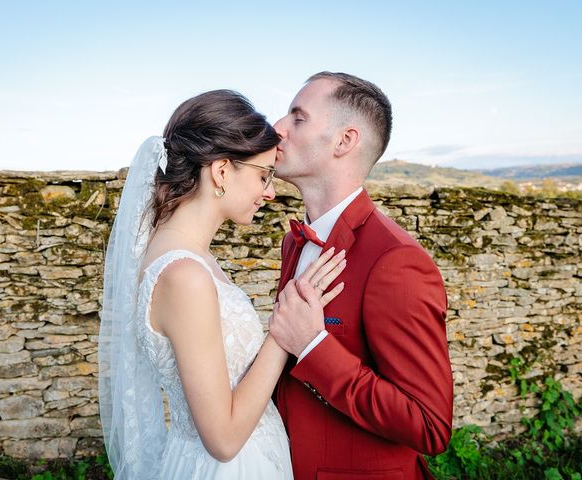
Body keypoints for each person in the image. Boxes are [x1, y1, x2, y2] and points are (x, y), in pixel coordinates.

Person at [98, 90, 346, 480]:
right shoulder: (185, 275)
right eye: (263, 175)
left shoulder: (185, 255)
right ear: (221, 170)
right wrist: (284, 332)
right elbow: (224, 438)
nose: (270, 192)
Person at [269, 72, 454, 479]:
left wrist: (313, 346)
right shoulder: (294, 242)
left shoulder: (396, 260)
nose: (277, 128)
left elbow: (430, 425)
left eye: (297, 118)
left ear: (344, 141)